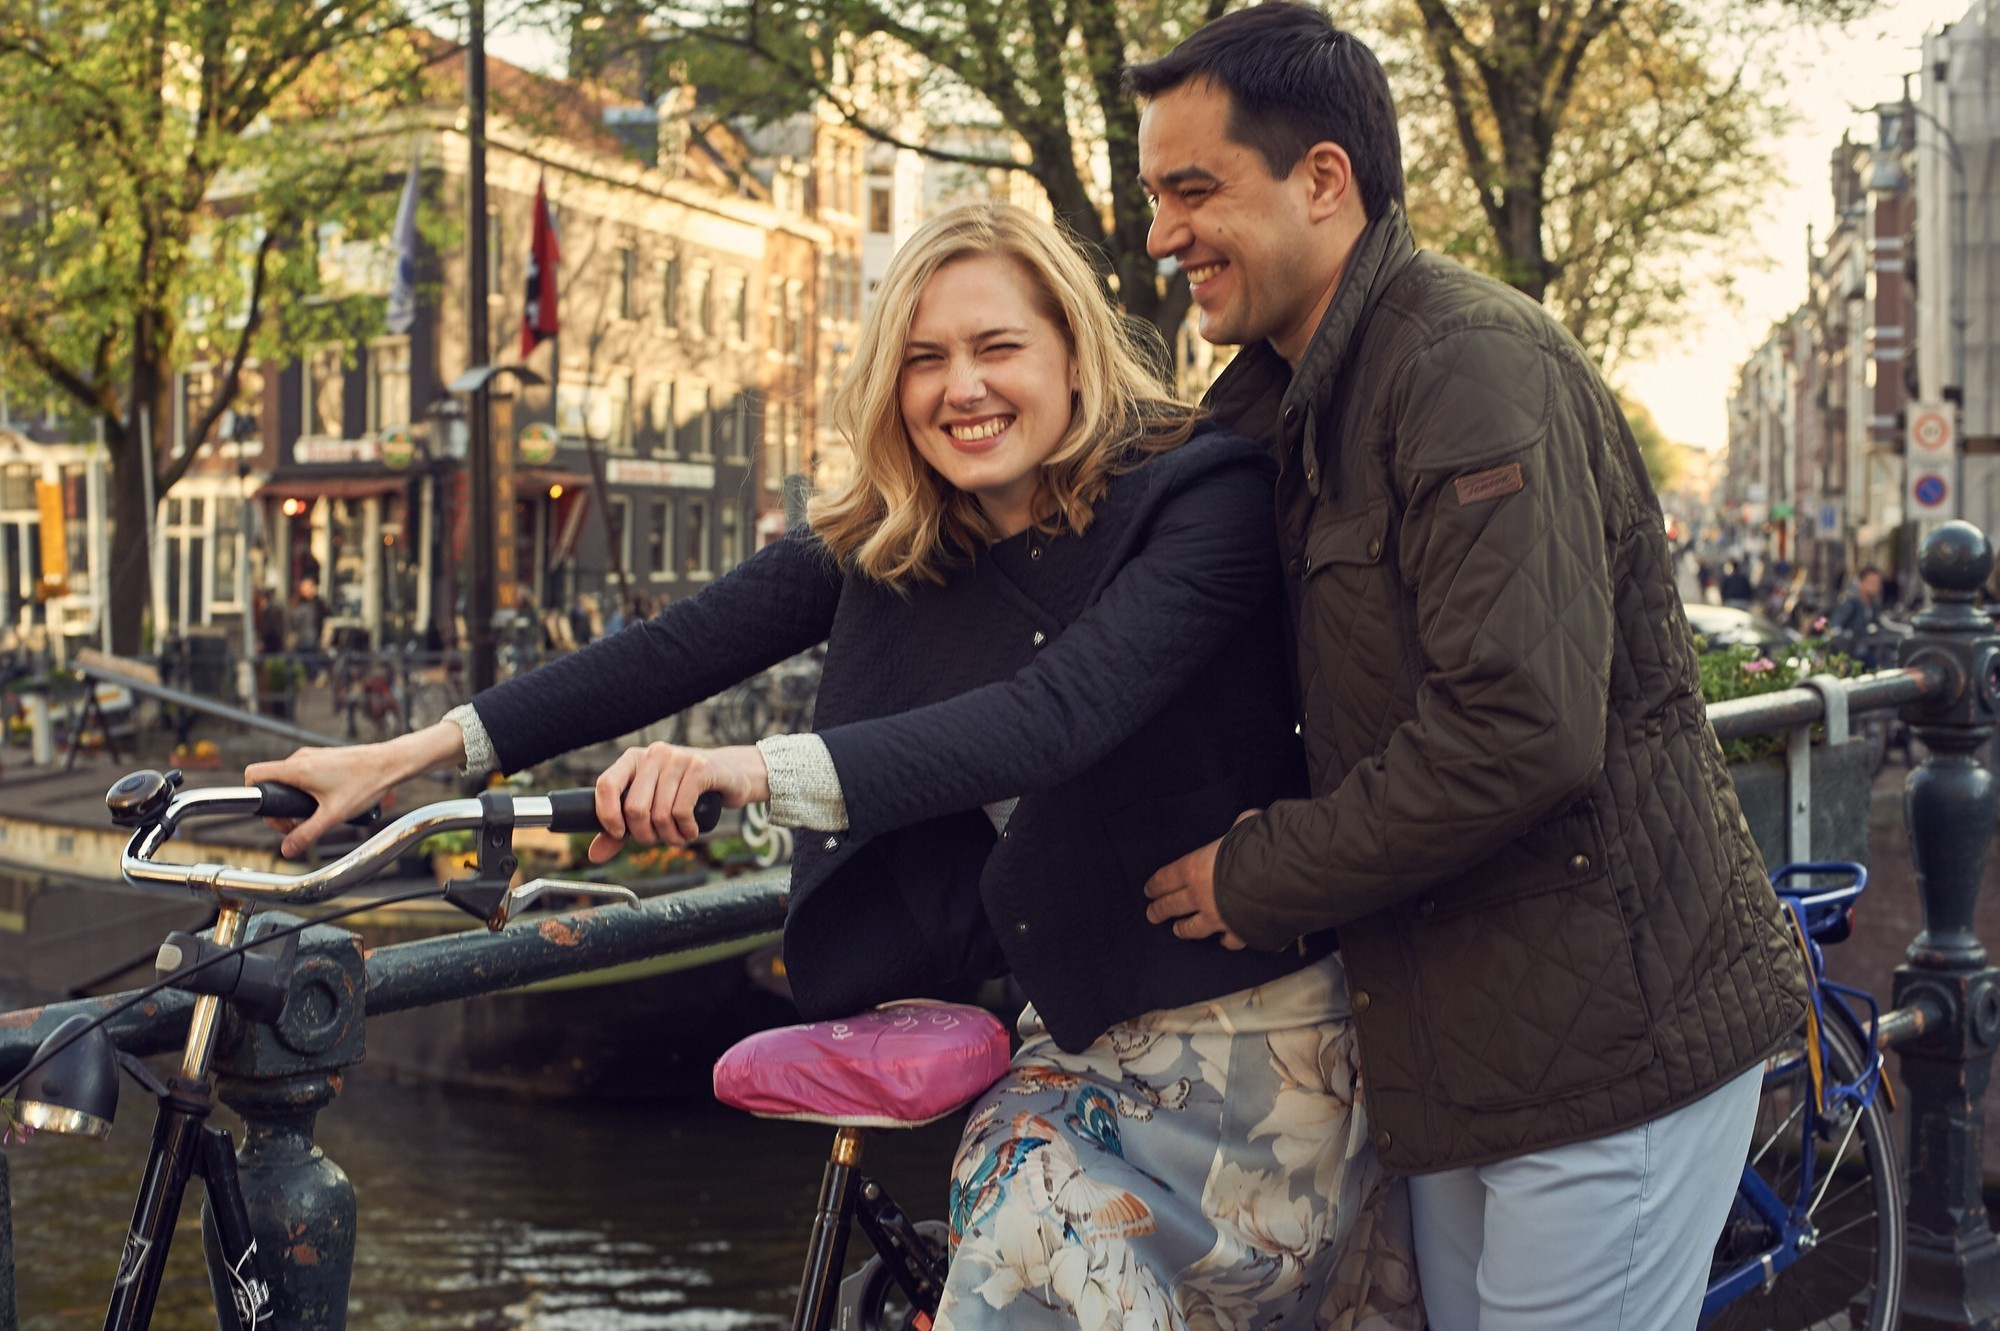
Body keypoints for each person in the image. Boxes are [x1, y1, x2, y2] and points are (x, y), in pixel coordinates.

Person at [249, 202, 1420, 1330]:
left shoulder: (1198, 495)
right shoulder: (904, 534)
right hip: (1070, 1034)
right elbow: (679, 646)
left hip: (1254, 1046)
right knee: (1019, 1204)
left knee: (1029, 1208)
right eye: (923, 358)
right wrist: (410, 756)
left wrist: (746, 769)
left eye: (995, 346)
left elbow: (1053, 716)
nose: (959, 386)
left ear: (1073, 348)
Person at [1123, 8, 1808, 1330]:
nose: (1161, 234)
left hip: (1612, 1043)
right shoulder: (1280, 400)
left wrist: (1255, 872)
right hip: (1467, 1043)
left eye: (1193, 189)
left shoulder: (1463, 365)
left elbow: (1518, 724)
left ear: (1323, 180)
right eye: (1155, 195)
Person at [288, 574, 329, 683]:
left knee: (310, 658)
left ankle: (316, 676)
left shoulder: (317, 603)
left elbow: (325, 616)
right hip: (305, 637)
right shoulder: (299, 602)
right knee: (305, 659)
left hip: (312, 637)